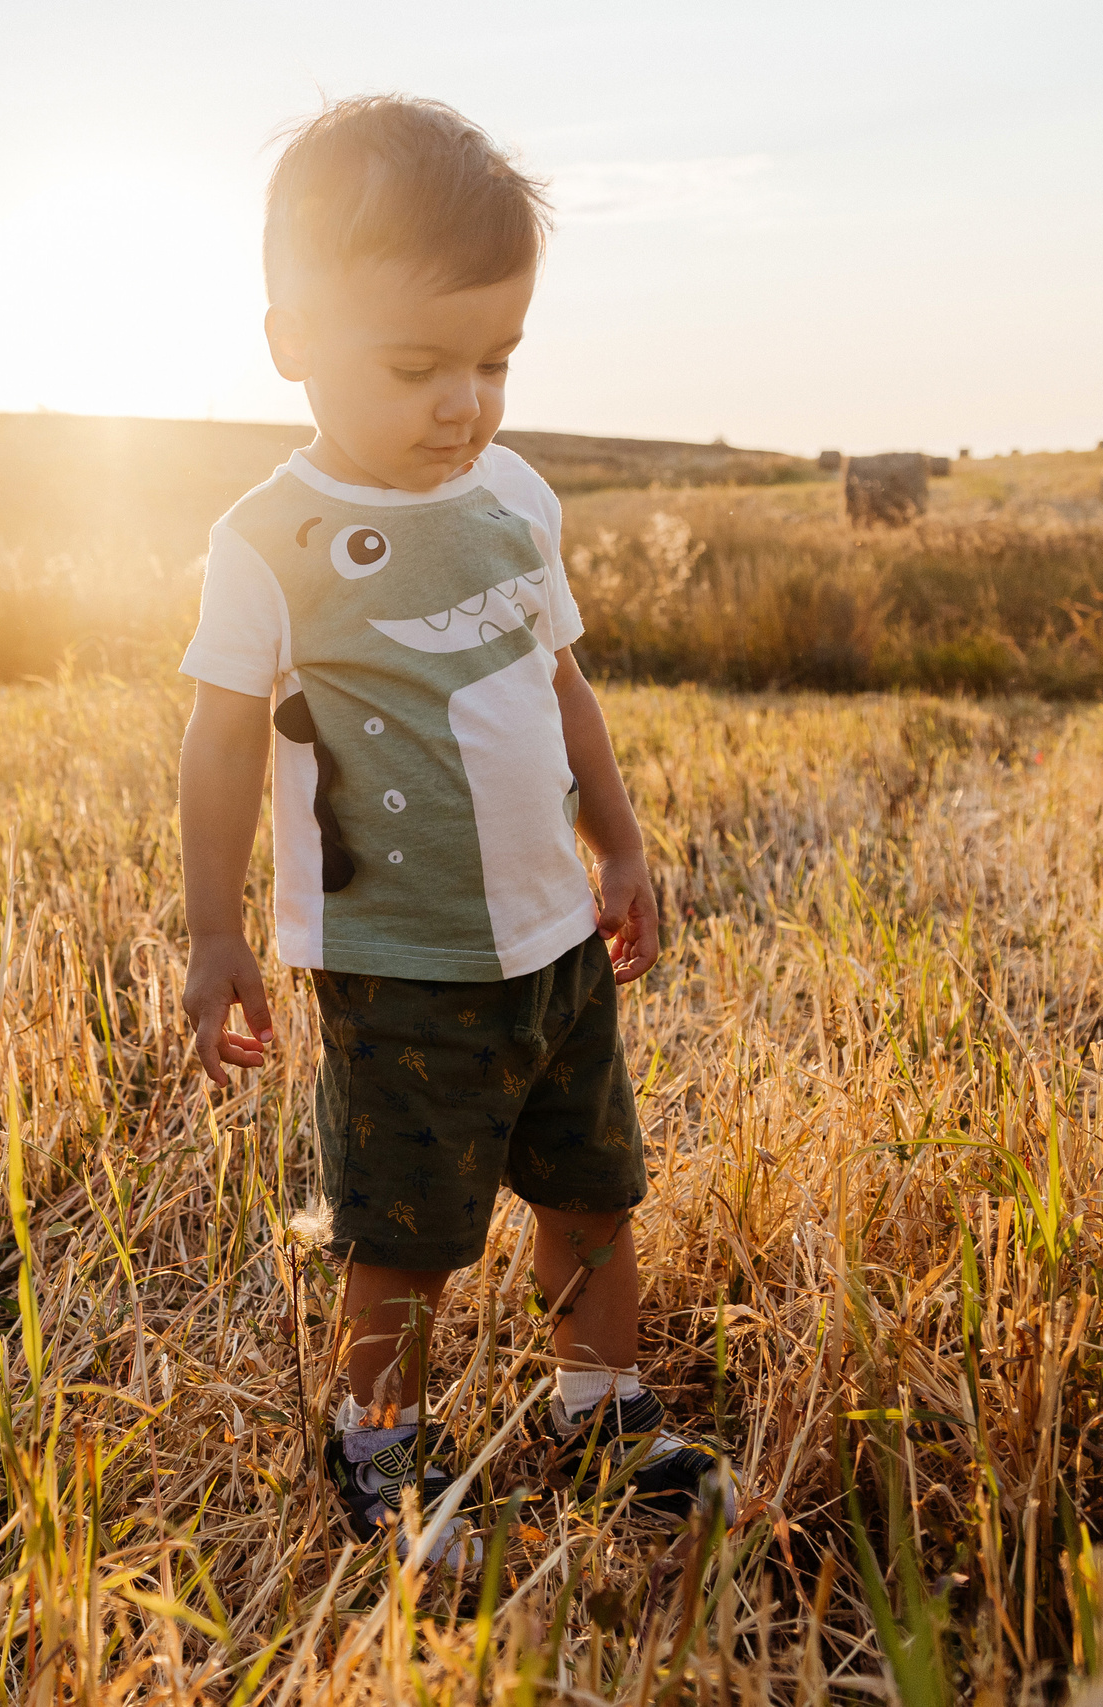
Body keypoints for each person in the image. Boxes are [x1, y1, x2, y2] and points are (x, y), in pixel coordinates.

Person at [174, 95, 733, 1553]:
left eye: (494, 362)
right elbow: (220, 740)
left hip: (556, 944)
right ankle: (380, 1443)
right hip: (400, 961)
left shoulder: (515, 496)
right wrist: (217, 930)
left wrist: (621, 843)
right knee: (404, 1232)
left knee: (593, 1191)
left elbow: (562, 686)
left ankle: (600, 1408)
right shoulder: (267, 542)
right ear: (293, 341)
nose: (462, 404)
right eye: (417, 366)